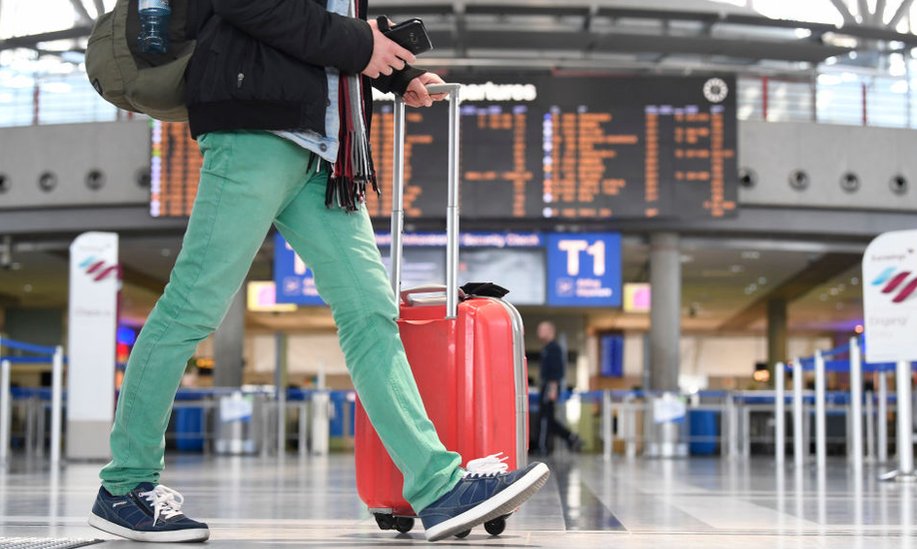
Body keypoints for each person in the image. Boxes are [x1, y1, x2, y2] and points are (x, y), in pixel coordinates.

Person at [87, 0, 549, 543]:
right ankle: (124, 486)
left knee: (371, 312)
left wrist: (397, 70)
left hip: (327, 154)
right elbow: (257, 10)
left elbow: (327, 30)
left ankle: (438, 486)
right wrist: (362, 43)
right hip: (254, 131)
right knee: (192, 308)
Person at [536, 321, 582, 455]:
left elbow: (556, 371)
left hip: (549, 386)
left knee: (545, 419)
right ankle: (570, 437)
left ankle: (543, 447)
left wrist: (553, 388)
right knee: (548, 419)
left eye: (542, 329)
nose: (539, 332)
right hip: (545, 385)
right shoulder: (546, 348)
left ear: (550, 331)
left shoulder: (554, 348)